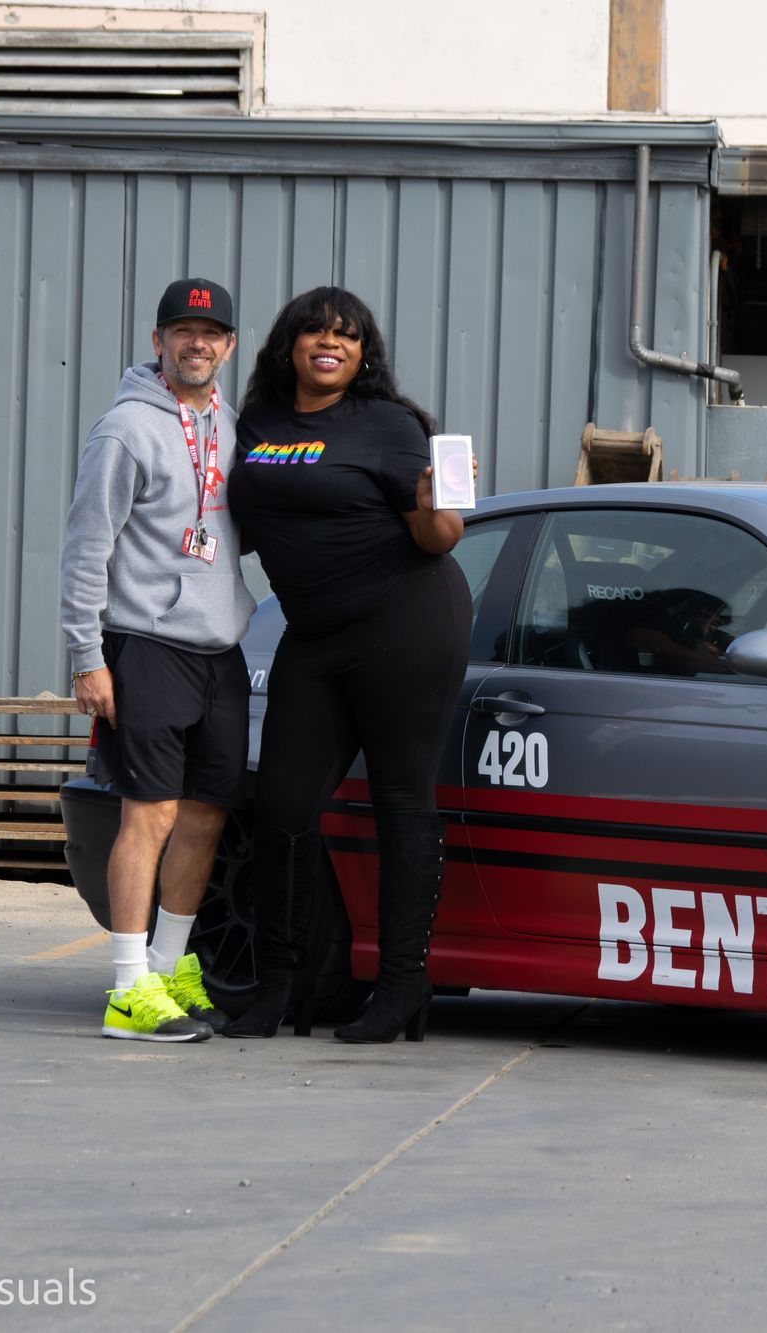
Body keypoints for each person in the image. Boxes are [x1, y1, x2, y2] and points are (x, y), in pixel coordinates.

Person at [222, 286, 473, 1044]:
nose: (330, 343)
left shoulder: (390, 426)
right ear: (288, 343)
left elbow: (439, 537)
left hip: (406, 619)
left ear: (365, 352)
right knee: (283, 807)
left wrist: (436, 506)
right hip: (315, 633)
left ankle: (401, 986)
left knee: (402, 796)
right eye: (315, 330)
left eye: (348, 334)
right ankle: (280, 987)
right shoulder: (258, 421)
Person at [59, 278, 254, 1041]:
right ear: (158, 342)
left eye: (210, 333)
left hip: (220, 648)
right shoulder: (126, 430)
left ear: (228, 346)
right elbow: (85, 549)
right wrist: (86, 654)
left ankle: (171, 969)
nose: (196, 343)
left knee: (206, 813)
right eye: (182, 331)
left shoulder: (233, 428)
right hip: (145, 643)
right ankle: (126, 989)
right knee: (150, 814)